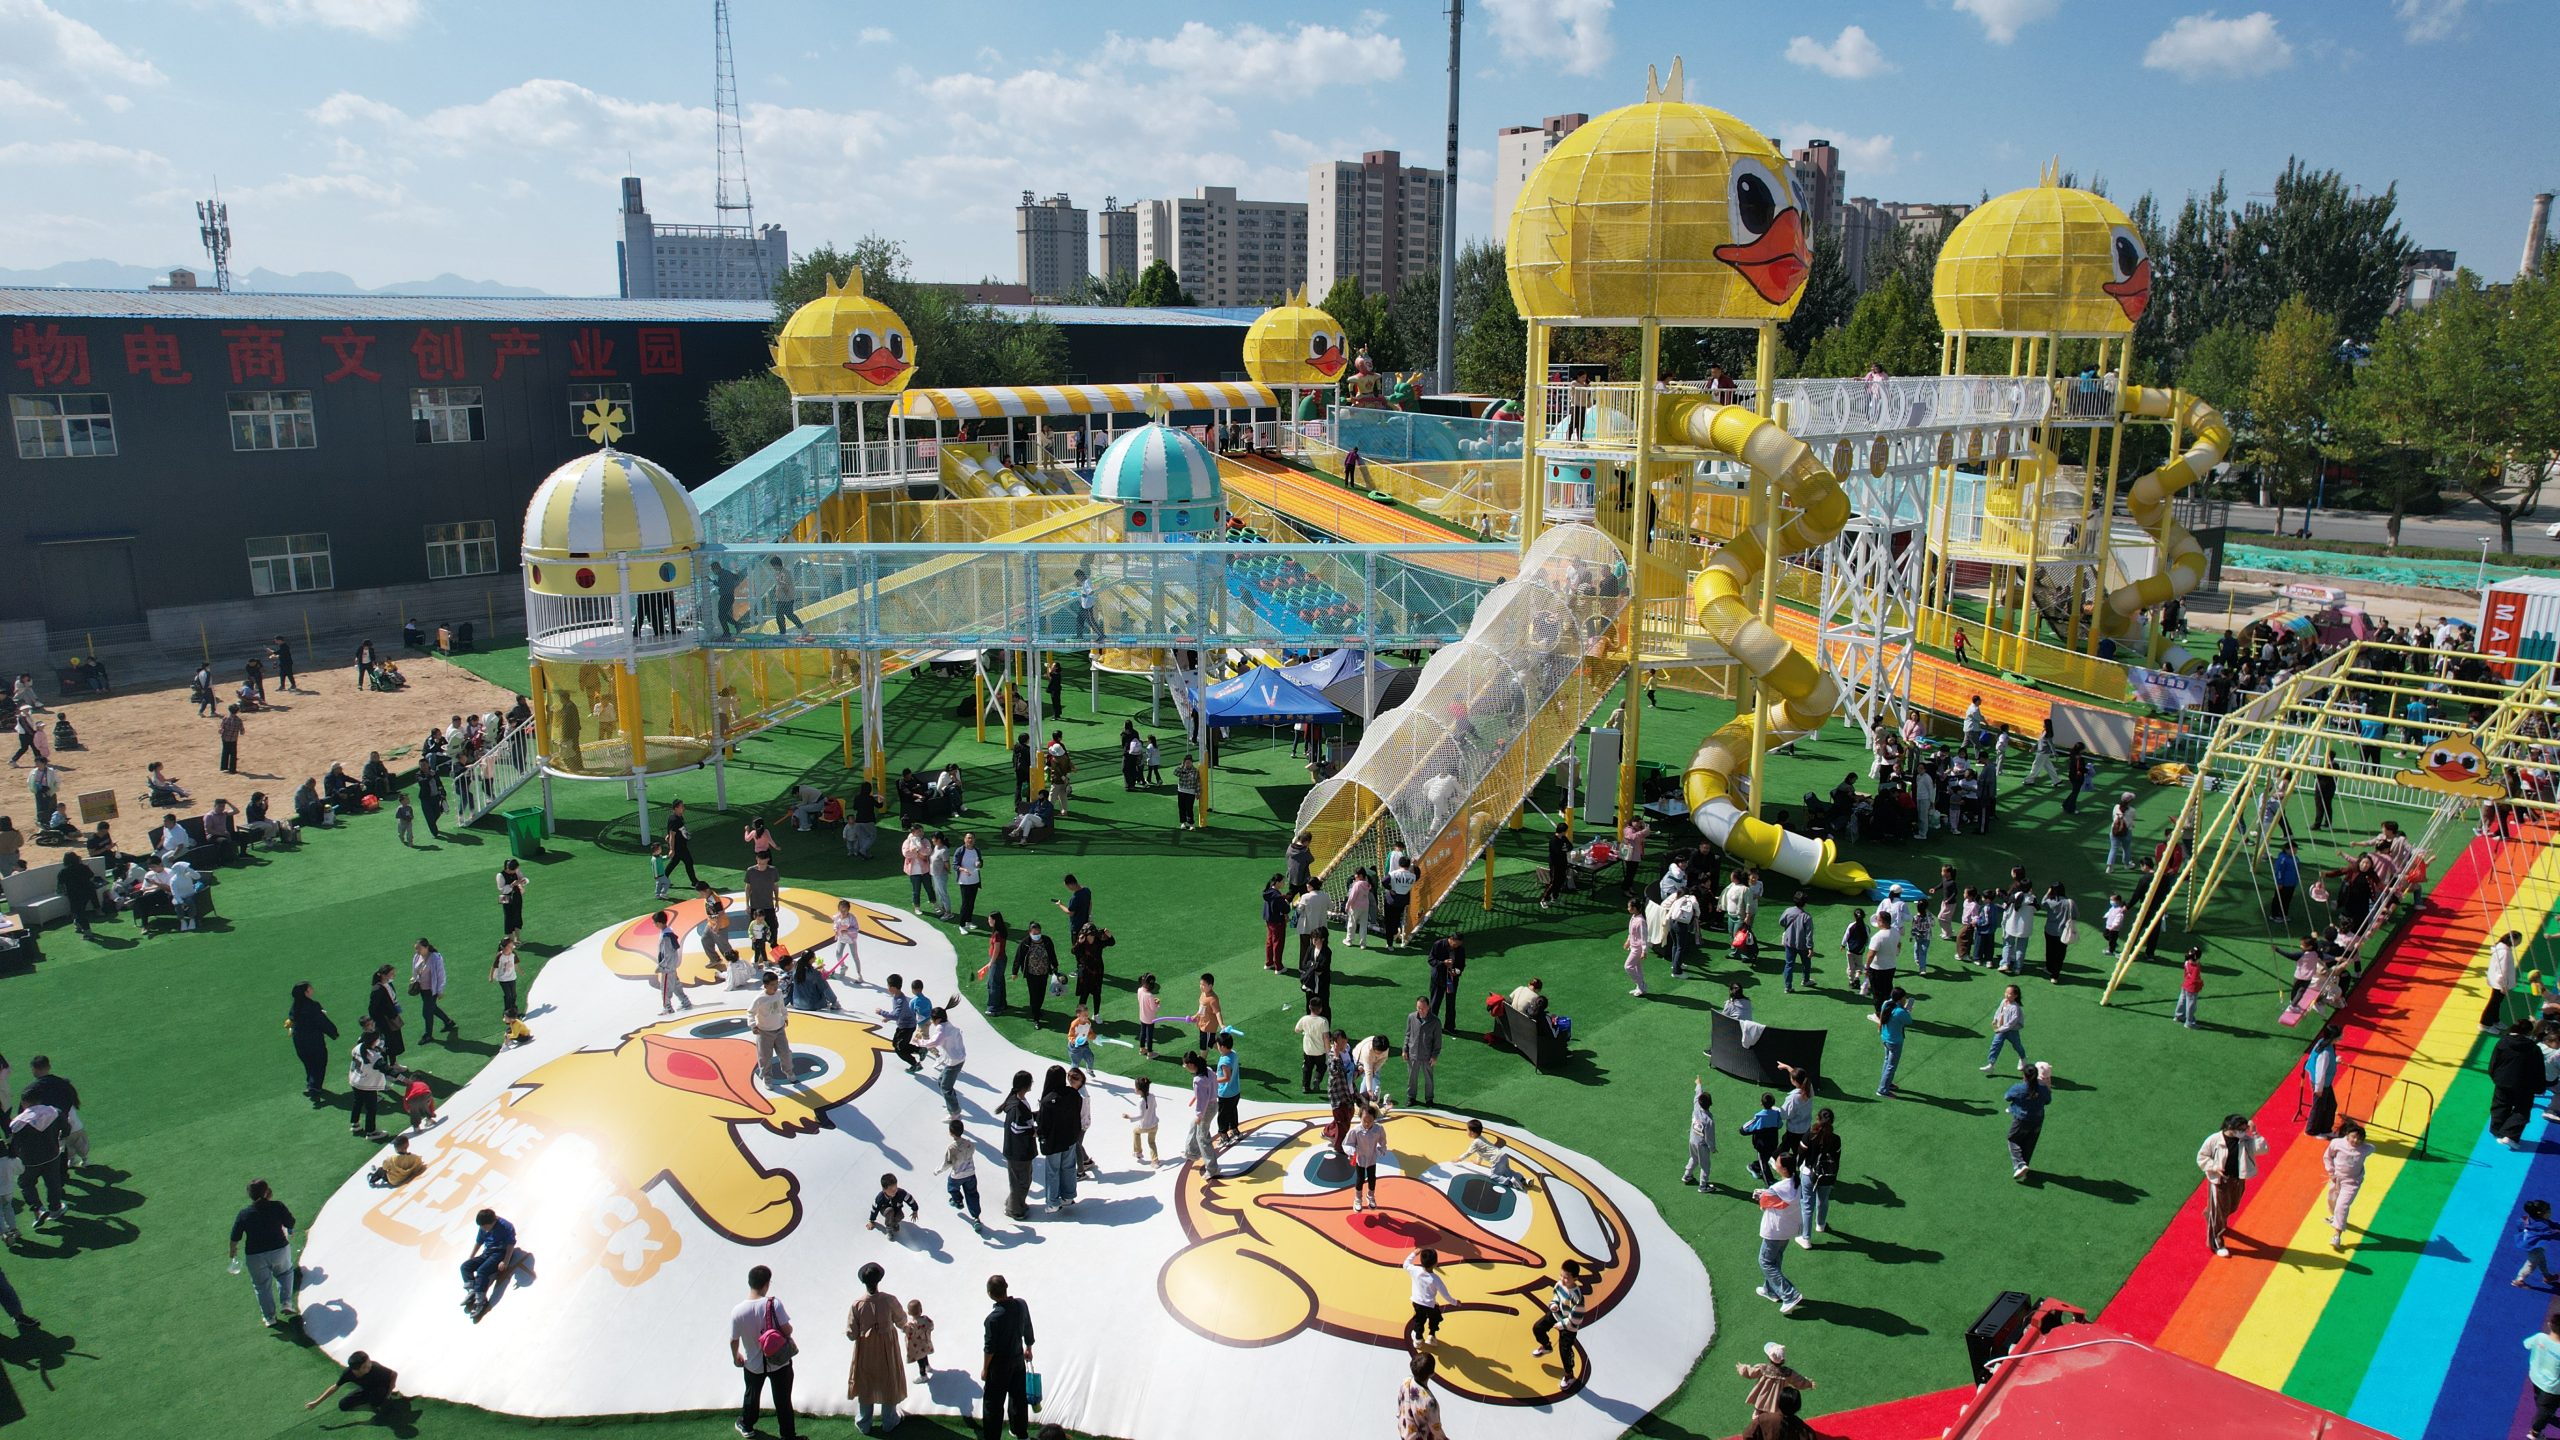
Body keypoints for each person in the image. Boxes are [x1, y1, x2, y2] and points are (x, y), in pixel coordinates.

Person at [730, 1263, 799, 1440]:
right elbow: (788, 1330)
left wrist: (736, 1356)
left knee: (752, 1396)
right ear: (767, 1284)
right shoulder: (774, 1304)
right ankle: (788, 1435)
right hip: (780, 1362)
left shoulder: (737, 1311)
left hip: (753, 1364)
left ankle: (747, 1425)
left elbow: (734, 1339)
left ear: (749, 1282)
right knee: (783, 1400)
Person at [228, 1178, 299, 1326]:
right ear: (267, 1192)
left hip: (255, 1257)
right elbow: (290, 1222)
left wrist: (233, 1251)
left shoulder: (244, 1214)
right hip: (279, 1250)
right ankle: (286, 1303)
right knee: (285, 1274)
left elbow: (235, 1237)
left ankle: (269, 1318)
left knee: (261, 1286)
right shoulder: (277, 1206)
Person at [2197, 1114, 2269, 1257]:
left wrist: (2255, 1132)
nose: (2244, 1131)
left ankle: (2210, 1212)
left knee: (2232, 1206)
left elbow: (2263, 1149)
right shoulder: (2214, 1140)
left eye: (2245, 1129)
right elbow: (2202, 1157)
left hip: (2238, 1180)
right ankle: (2216, 1243)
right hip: (2220, 1181)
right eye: (2241, 1129)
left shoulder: (2245, 1140)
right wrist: (2214, 1167)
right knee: (2219, 1214)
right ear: (2230, 1127)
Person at [980, 1275, 1035, 1440]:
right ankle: (1020, 1432)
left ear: (990, 1294)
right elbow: (1028, 1326)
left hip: (999, 1366)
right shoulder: (1021, 1304)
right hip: (1018, 1360)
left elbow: (990, 1349)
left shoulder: (992, 1319)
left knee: (993, 1404)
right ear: (1006, 1287)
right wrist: (1028, 1347)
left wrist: (985, 1368)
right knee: (1018, 1398)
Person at [1753, 1153, 1808, 1314]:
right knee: (1775, 1260)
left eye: (1777, 1162)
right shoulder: (1796, 1183)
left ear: (1783, 1169)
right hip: (1787, 1230)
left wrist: (1761, 1195)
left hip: (1775, 1230)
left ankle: (1790, 1294)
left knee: (1765, 1262)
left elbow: (1764, 1202)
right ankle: (1770, 1290)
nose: (1775, 1163)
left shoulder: (1778, 1188)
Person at [1528, 1258, 1590, 1376]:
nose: (1562, 1279)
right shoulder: (1560, 1284)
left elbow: (1577, 1319)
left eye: (1566, 1278)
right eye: (1561, 1275)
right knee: (1538, 1328)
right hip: (1556, 1314)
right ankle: (1546, 1345)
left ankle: (1569, 1374)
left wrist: (1563, 1324)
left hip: (1569, 1326)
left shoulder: (1577, 1297)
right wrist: (1554, 1304)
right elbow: (1556, 1296)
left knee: (1565, 1351)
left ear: (1575, 1279)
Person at [2493, 1019, 2547, 1148]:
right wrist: (2540, 1087)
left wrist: (2496, 1077)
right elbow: (2539, 1070)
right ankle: (2510, 1135)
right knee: (2522, 1109)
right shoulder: (2533, 1048)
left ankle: (2497, 1129)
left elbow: (2494, 1062)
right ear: (2528, 1032)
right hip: (2524, 1085)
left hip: (2503, 1081)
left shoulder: (2503, 1042)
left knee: (2500, 1105)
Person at [459, 1207, 519, 1319]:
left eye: (485, 1226)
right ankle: (472, 1290)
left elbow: (511, 1244)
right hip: (487, 1252)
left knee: (482, 1271)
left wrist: (505, 1261)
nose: (483, 1229)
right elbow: (479, 1241)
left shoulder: (506, 1227)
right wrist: (471, 1257)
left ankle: (481, 1300)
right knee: (465, 1267)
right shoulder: (483, 1226)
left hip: (500, 1253)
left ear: (492, 1222)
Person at [2323, 1120, 2371, 1251]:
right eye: (2353, 1137)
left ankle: (2336, 1235)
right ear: (2347, 1135)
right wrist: (2331, 1172)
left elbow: (2372, 1147)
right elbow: (2327, 1157)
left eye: (2359, 1139)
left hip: (2352, 1183)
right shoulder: (2336, 1143)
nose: (2356, 1141)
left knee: (2342, 1206)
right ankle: (2335, 1216)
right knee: (2332, 1200)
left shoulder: (2367, 1149)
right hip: (2336, 1179)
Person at [287, 982, 339, 1104]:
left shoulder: (295, 1006)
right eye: (310, 988)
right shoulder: (313, 1006)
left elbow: (293, 1020)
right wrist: (333, 1033)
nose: (312, 989)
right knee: (320, 1061)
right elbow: (321, 1021)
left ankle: (311, 1084)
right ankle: (314, 1087)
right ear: (306, 992)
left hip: (299, 1039)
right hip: (313, 1039)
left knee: (308, 1062)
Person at [1737, 1340, 1815, 1419]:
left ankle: (1757, 1422)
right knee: (1777, 1416)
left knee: (1758, 1414)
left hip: (1762, 1400)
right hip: (1776, 1402)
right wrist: (1809, 1383)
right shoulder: (1788, 1373)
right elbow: (1799, 1381)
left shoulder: (1763, 1368)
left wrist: (1742, 1368)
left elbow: (1750, 1373)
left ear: (1769, 1357)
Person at [305, 1351, 399, 1414]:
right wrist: (316, 1402)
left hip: (381, 1388)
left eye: (369, 1362)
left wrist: (389, 1392)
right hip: (366, 1389)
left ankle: (382, 1400)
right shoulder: (348, 1373)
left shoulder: (375, 1367)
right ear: (355, 1370)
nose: (369, 1366)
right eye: (365, 1366)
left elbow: (394, 1374)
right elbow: (335, 1387)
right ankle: (371, 1405)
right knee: (343, 1405)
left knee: (380, 1404)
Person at [2005, 1060, 2053, 1181]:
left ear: (2024, 1076)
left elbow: (2007, 1097)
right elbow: (2048, 1101)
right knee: (2029, 1143)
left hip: (2022, 1120)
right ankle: (2024, 1168)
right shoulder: (2043, 1088)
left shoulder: (2018, 1088)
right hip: (2038, 1120)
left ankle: (2020, 1165)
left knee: (2012, 1139)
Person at [1404, 1246, 1456, 1346]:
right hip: (1431, 1305)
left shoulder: (1415, 1270)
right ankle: (1431, 1335)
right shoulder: (1436, 1279)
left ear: (1421, 1261)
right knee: (1435, 1318)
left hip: (1417, 1303)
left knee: (1419, 1321)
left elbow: (1405, 1264)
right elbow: (1445, 1295)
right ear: (1436, 1263)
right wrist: (1455, 1302)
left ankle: (1418, 1340)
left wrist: (1414, 1253)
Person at [412, 938, 459, 1044]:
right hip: (422, 989)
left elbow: (441, 975)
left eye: (419, 948)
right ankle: (448, 1022)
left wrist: (440, 990)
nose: (417, 951)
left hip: (431, 990)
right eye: (416, 948)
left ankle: (428, 1035)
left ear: (426, 947)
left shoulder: (436, 958)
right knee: (432, 1008)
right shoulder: (417, 957)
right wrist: (414, 980)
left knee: (426, 1012)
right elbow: (414, 970)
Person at [2523, 1310, 2560, 1440]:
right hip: (2553, 1388)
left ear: (2550, 1324)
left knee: (2540, 1400)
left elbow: (2526, 1344)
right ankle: (2534, 1433)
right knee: (2546, 1410)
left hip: (2535, 1377)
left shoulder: (2540, 1337)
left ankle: (2544, 1411)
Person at [1397, 1351, 1451, 1440]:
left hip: (1405, 1432)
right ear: (1432, 1373)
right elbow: (1435, 1428)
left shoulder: (1405, 1381)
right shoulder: (1430, 1402)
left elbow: (1400, 1405)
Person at [1869, 988, 1912, 1098]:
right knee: (1891, 1066)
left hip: (1885, 1038)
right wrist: (1907, 1011)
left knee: (1887, 1061)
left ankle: (1887, 1083)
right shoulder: (1900, 1012)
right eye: (1904, 997)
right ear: (1901, 999)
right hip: (1895, 1042)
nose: (1905, 999)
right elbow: (1909, 1021)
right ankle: (1882, 1090)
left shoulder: (1886, 1003)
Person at [2303, 1023, 2342, 1138]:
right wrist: (2319, 1089)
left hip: (2324, 1083)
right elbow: (2320, 1072)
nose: (2341, 1037)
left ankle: (2325, 1129)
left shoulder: (2323, 1043)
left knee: (2331, 1105)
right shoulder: (2325, 1053)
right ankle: (2312, 1130)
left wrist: (2334, 1061)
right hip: (2321, 1084)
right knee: (2319, 1107)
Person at [1403, 994, 1441, 1107]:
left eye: (1423, 1008)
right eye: (1418, 1008)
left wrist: (1434, 1056)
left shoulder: (1435, 1021)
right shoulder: (1411, 1017)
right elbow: (1408, 1034)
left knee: (1428, 1078)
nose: (1421, 1010)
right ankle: (1411, 1097)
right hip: (1413, 1054)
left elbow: (1438, 1041)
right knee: (1412, 1078)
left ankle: (1429, 1099)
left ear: (1428, 1007)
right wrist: (1405, 1049)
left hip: (1427, 1056)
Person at [1983, 984, 2028, 1072]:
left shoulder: (2015, 1008)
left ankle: (2023, 1058)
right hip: (2001, 1030)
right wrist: (1995, 1020)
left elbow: (2011, 1023)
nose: (2006, 995)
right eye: (2006, 992)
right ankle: (1991, 1064)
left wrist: (1999, 1029)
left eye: (2009, 993)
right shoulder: (2004, 1001)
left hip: (2011, 1031)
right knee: (1995, 1045)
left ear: (2015, 996)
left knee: (2017, 1046)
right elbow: (1998, 1011)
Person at [2488, 929, 2524, 1032]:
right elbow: (2502, 970)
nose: (2519, 943)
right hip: (2500, 983)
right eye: (2519, 941)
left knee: (2497, 1002)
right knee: (2494, 1003)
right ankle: (2485, 1023)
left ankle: (2495, 1020)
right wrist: (2503, 985)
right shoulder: (2504, 952)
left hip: (2498, 981)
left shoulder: (2502, 948)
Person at [495, 858, 527, 943]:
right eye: (514, 870)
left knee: (518, 915)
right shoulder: (500, 875)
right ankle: (511, 940)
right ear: (508, 868)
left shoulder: (516, 870)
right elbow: (501, 889)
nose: (516, 871)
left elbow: (523, 879)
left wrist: (523, 881)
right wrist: (512, 885)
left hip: (516, 895)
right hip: (505, 897)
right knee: (508, 917)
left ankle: (518, 938)